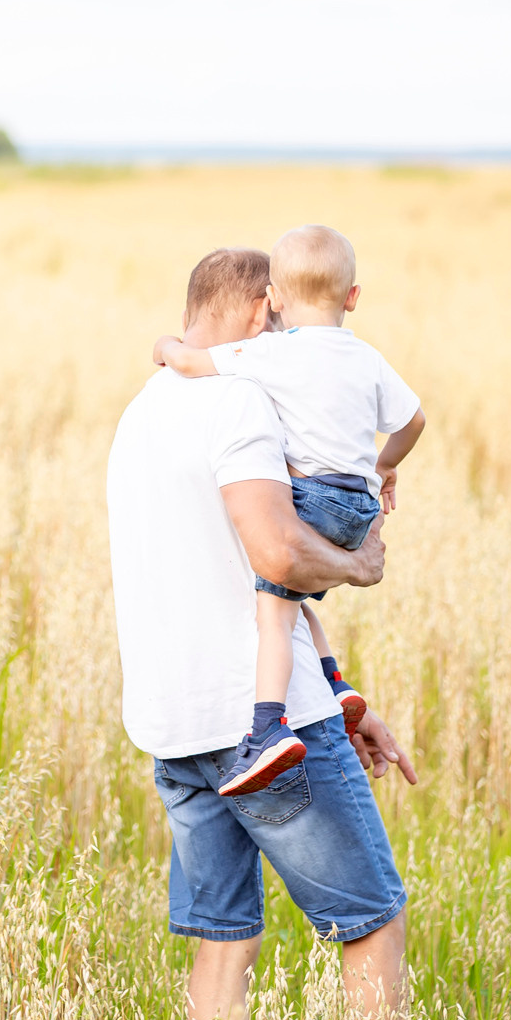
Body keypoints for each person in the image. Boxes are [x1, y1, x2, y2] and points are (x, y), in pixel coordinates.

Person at [106, 246, 418, 1020]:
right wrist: (361, 566)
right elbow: (277, 548)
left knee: (224, 937)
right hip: (263, 722)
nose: (285, 338)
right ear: (256, 310)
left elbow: (241, 575)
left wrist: (345, 692)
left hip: (174, 723)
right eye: (278, 321)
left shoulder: (140, 412)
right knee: (373, 922)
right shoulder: (239, 399)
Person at [151, 225, 425, 795]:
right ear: (353, 297)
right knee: (295, 597)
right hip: (358, 503)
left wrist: (165, 348)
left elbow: (194, 365)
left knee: (273, 605)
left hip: (311, 496)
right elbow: (414, 421)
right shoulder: (368, 357)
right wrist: (384, 467)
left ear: (273, 299)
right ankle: (335, 681)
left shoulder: (273, 351)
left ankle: (265, 729)